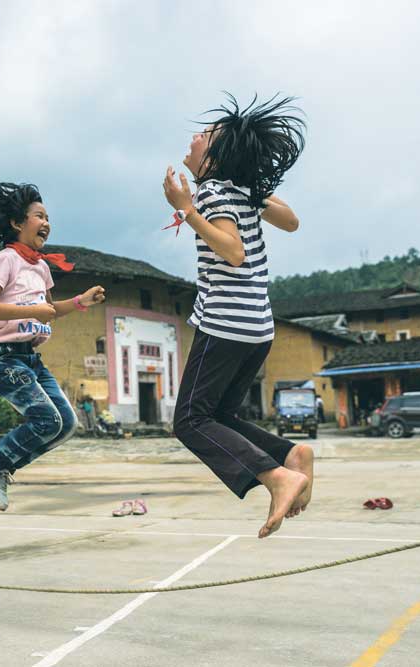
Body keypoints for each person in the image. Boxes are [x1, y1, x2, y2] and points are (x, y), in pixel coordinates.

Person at [162, 94, 313, 539]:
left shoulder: (210, 194)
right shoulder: (242, 191)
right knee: (221, 415)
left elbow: (232, 252)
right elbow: (291, 222)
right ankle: (290, 455)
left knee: (189, 420)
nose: (194, 137)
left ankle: (278, 477)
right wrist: (254, 192)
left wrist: (186, 208)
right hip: (257, 327)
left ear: (214, 157)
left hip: (224, 323)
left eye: (204, 135)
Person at [0, 183, 106, 511]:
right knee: (46, 420)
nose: (47, 222)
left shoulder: (41, 267)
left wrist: (81, 302)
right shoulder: (5, 260)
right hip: (1, 356)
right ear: (17, 223)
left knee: (66, 423)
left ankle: (0, 468)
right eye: (39, 216)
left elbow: (50, 311)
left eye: (48, 217)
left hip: (29, 357)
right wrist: (31, 311)